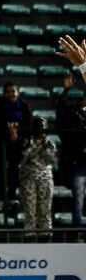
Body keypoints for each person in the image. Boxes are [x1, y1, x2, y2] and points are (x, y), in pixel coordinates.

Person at [0, 82, 33, 214]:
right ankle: (0, 198)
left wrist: (18, 136)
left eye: (13, 91)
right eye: (8, 91)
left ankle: (13, 197)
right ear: (4, 93)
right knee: (1, 171)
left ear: (17, 92)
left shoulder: (24, 106)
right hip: (1, 144)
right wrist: (8, 132)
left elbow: (28, 125)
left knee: (14, 170)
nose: (11, 94)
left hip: (17, 143)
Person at [55, 73, 86, 227]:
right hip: (78, 164)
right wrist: (66, 90)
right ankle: (78, 236)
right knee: (78, 202)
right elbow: (60, 109)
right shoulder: (71, 116)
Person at [18, 117, 58, 232]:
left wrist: (45, 147)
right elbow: (22, 159)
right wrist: (30, 146)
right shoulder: (26, 142)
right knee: (30, 212)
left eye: (42, 127)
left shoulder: (49, 143)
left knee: (45, 211)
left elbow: (53, 160)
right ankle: (30, 238)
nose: (40, 130)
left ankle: (45, 237)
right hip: (28, 179)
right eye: (37, 127)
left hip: (45, 178)